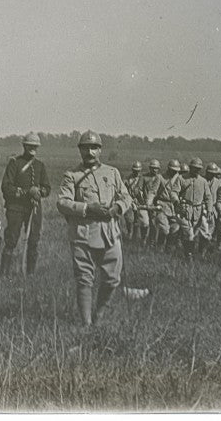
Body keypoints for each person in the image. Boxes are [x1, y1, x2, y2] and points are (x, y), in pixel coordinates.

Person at [55, 131, 133, 326]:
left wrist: (117, 208)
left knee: (112, 279)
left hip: (110, 234)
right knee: (84, 279)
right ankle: (87, 324)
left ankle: (99, 316)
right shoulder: (72, 175)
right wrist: (88, 208)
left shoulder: (112, 173)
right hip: (83, 234)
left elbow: (126, 197)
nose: (90, 152)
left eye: (94, 148)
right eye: (86, 148)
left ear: (100, 150)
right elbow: (62, 202)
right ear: (80, 150)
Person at [0, 132, 50, 275]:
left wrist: (40, 192)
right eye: (30, 145)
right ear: (24, 146)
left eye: (35, 146)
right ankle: (4, 275)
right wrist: (27, 192)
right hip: (15, 208)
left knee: (33, 241)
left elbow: (47, 188)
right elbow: (6, 187)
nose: (33, 148)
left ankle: (30, 276)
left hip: (34, 208)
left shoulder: (40, 165)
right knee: (11, 240)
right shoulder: (15, 163)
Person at [175, 159, 213, 258]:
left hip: (198, 211)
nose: (196, 170)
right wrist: (176, 201)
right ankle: (188, 256)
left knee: (199, 233)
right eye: (194, 168)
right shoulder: (181, 178)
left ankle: (199, 253)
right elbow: (174, 192)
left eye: (198, 169)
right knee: (189, 234)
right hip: (185, 209)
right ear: (190, 167)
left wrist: (209, 209)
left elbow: (208, 196)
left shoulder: (203, 181)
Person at [130, 159, 165, 247]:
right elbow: (138, 189)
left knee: (154, 224)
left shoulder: (160, 178)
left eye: (156, 168)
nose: (154, 170)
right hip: (144, 203)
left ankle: (152, 242)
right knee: (145, 223)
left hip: (155, 204)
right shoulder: (143, 177)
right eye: (153, 168)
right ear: (150, 168)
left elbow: (164, 190)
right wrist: (139, 196)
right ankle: (143, 239)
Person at [199, 162, 221, 253]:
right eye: (210, 173)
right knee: (203, 229)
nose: (211, 175)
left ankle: (210, 248)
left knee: (214, 229)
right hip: (202, 207)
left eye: (213, 174)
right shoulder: (201, 180)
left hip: (214, 209)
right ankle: (202, 249)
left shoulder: (219, 183)